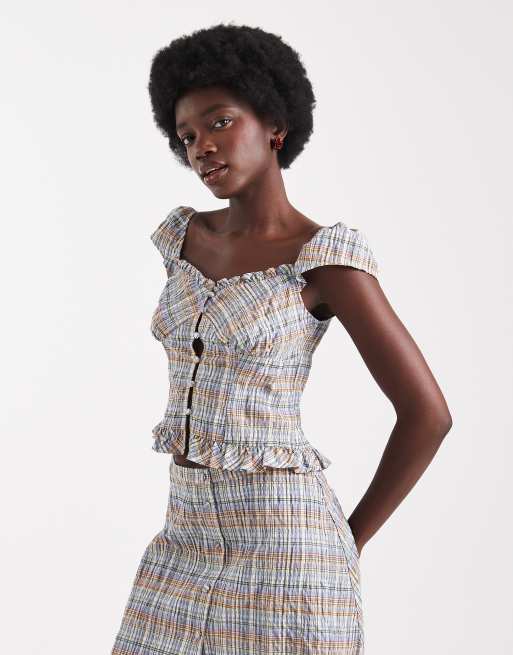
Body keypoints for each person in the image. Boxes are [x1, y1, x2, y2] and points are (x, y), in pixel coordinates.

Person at [111, 22, 452, 655]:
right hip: (182, 538)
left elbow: (428, 414)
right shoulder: (181, 240)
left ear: (274, 124)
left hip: (287, 548)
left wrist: (346, 542)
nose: (202, 147)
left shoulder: (324, 261)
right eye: (187, 136)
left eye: (219, 122)